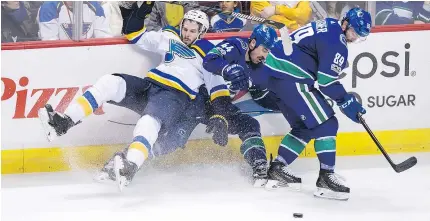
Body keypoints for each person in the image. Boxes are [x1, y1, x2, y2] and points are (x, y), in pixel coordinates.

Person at [37, 3, 222, 191]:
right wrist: (142, 12)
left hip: (174, 96)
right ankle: (63, 123)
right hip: (150, 86)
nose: (187, 34)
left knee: (148, 122)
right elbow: (134, 34)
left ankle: (130, 166)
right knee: (110, 82)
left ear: (202, 32)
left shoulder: (210, 53)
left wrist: (220, 114)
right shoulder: (170, 36)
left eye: (192, 31)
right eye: (185, 28)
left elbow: (219, 88)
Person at [242, 7, 372, 201]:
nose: (354, 38)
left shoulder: (328, 25)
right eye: (354, 33)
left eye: (359, 36)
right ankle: (326, 178)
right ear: (345, 24)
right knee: (327, 123)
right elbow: (327, 82)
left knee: (304, 127)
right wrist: (346, 101)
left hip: (275, 75)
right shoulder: (337, 42)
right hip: (292, 77)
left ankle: (277, 168)